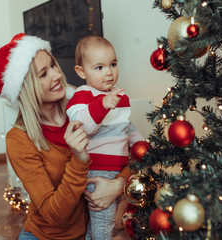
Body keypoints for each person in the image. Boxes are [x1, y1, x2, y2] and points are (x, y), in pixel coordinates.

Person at [0, 33, 132, 240]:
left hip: (93, 231)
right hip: (47, 236)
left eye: (53, 65)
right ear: (26, 89)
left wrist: (118, 184)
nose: (57, 75)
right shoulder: (19, 140)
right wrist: (79, 160)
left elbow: (127, 152)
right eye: (43, 74)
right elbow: (54, 216)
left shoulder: (86, 105)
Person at [66, 36, 144, 240]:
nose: (109, 72)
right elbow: (82, 125)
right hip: (98, 169)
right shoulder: (82, 95)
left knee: (107, 221)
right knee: (104, 223)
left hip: (119, 168)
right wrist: (102, 105)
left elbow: (125, 126)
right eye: (99, 67)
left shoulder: (121, 97)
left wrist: (140, 143)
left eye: (113, 64)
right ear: (81, 72)